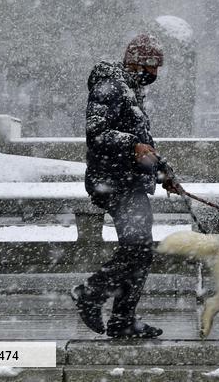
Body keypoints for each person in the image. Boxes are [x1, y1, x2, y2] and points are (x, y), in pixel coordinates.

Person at [70, 33, 180, 338]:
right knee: (137, 249)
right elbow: (97, 133)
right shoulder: (110, 85)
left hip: (128, 182)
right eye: (151, 66)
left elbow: (143, 144)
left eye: (157, 67)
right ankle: (90, 293)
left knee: (140, 251)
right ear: (136, 62)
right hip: (114, 182)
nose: (154, 73)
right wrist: (132, 145)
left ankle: (122, 320)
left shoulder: (131, 90)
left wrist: (162, 172)